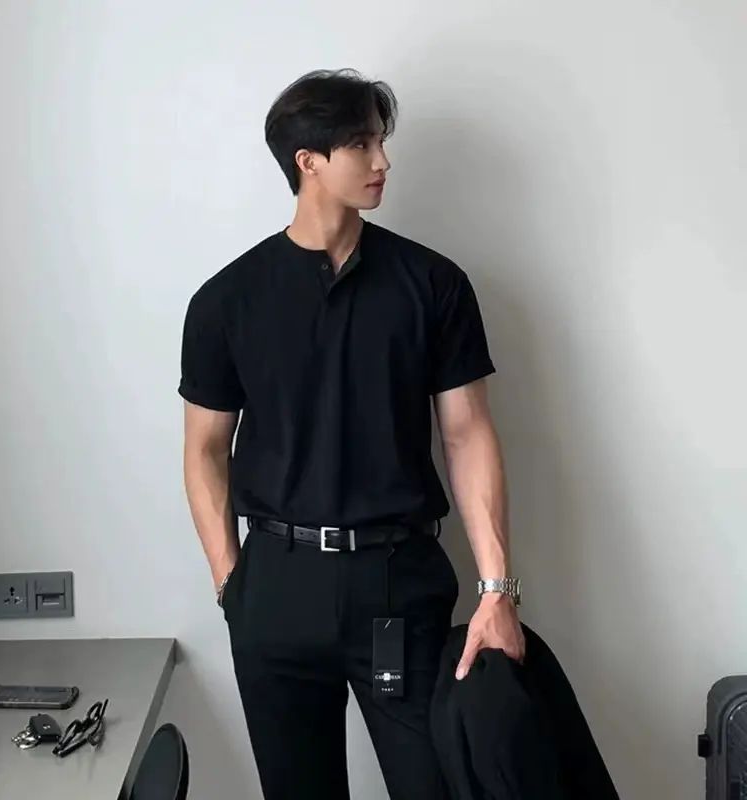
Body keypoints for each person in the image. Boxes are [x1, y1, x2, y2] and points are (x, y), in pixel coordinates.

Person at [178, 67, 525, 800]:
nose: (382, 161)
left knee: (435, 786)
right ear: (308, 161)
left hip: (398, 579)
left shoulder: (433, 284)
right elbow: (205, 449)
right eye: (362, 144)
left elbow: (467, 435)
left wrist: (497, 588)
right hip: (276, 583)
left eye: (380, 141)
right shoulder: (226, 300)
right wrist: (231, 583)